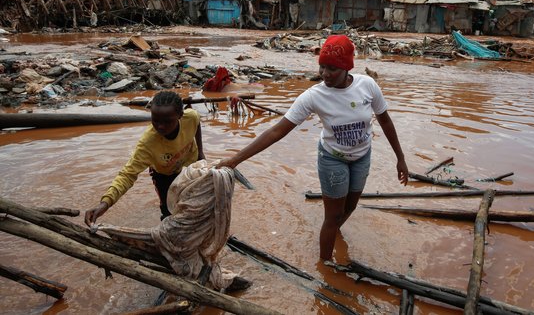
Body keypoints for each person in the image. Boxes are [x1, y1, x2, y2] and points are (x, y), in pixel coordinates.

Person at [216, 34, 409, 261]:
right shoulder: (314, 96)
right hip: (332, 159)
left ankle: (336, 235)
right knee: (333, 215)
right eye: (322, 67)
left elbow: (385, 120)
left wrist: (400, 157)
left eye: (332, 69)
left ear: (347, 68)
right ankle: (326, 266)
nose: (325, 74)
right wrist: (235, 159)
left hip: (362, 156)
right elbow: (277, 131)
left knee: (350, 207)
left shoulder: (367, 85)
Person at [85, 90, 205, 225]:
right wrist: (105, 203)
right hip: (164, 175)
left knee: (196, 202)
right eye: (156, 120)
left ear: (180, 115)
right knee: (168, 210)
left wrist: (200, 152)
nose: (160, 126)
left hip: (190, 167)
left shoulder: (190, 117)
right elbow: (127, 175)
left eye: (167, 122)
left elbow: (197, 122)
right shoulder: (148, 144)